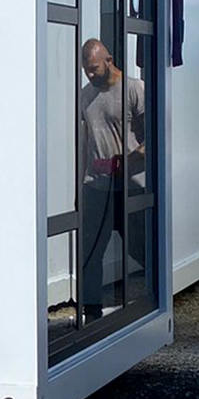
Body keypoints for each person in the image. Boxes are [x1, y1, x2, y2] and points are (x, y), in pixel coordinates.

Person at [79, 38, 146, 321]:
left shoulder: (134, 89)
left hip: (130, 186)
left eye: (94, 68)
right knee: (90, 251)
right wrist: (80, 181)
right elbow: (87, 141)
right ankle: (91, 312)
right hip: (95, 185)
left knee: (140, 247)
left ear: (109, 59)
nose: (91, 75)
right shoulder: (86, 95)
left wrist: (128, 161)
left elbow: (154, 136)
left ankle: (154, 297)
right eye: (86, 70)